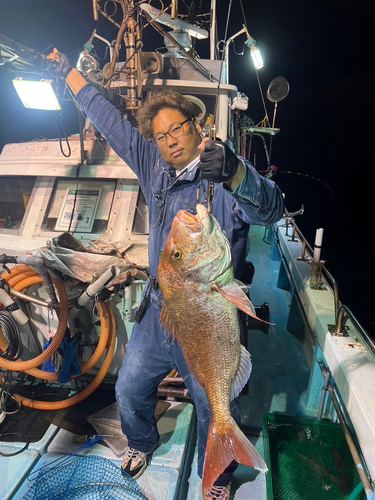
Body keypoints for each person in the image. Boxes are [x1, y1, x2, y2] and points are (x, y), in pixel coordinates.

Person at [47, 49, 285, 500]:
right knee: (131, 388)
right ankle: (140, 443)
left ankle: (214, 479)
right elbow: (108, 116)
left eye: (178, 128)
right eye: (161, 135)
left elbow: (271, 210)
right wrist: (72, 77)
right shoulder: (154, 165)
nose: (171, 140)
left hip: (209, 313)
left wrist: (236, 173)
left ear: (198, 128)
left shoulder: (225, 173)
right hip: (161, 311)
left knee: (216, 403)